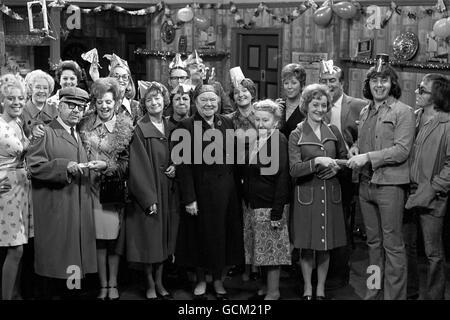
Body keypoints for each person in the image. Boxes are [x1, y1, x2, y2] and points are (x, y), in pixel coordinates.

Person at [347, 54, 415, 300]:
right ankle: (373, 290)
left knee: (393, 246)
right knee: (373, 245)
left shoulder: (403, 112)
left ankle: (393, 296)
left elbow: (402, 150)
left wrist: (367, 157)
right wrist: (356, 147)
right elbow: (368, 139)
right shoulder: (365, 111)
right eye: (375, 80)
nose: (379, 85)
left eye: (384, 80)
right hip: (366, 185)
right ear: (369, 83)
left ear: (392, 83)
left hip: (390, 186)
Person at [26, 87, 97, 298]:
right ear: (60, 106)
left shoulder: (78, 134)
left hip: (77, 208)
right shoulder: (45, 132)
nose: (76, 111)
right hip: (55, 209)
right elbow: (34, 166)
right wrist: (64, 166)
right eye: (71, 106)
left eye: (81, 107)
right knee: (56, 265)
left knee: (73, 265)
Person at [174, 84, 244, 300]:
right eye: (204, 100)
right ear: (195, 103)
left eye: (213, 100)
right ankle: (201, 280)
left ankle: (218, 280)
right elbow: (183, 167)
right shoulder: (185, 126)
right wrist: (189, 198)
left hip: (227, 192)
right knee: (201, 238)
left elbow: (235, 158)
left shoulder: (227, 122)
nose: (209, 104)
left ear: (219, 102)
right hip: (200, 192)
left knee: (223, 238)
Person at [289, 84, 348, 300]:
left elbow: (345, 159)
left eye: (324, 105)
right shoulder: (297, 133)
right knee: (307, 246)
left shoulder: (333, 131)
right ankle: (307, 287)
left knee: (325, 245)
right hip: (306, 194)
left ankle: (320, 288)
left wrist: (336, 166)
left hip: (330, 194)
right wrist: (316, 161)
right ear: (306, 105)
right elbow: (294, 170)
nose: (320, 109)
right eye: (316, 104)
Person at [78, 77, 134, 300]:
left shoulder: (125, 126)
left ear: (116, 102)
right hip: (86, 188)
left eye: (108, 101)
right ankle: (102, 285)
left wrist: (107, 166)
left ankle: (113, 283)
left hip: (111, 190)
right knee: (98, 240)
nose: (104, 105)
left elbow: (127, 163)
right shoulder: (84, 123)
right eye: (100, 101)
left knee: (112, 240)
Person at [125, 81, 178, 300]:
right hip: (151, 193)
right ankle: (149, 283)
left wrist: (177, 166)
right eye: (149, 99)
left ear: (164, 101)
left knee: (165, 239)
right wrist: (148, 198)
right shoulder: (139, 129)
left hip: (169, 192)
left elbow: (181, 155)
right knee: (150, 241)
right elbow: (137, 166)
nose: (154, 102)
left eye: (158, 98)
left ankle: (160, 281)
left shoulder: (172, 127)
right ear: (144, 104)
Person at [403, 74, 450, 300]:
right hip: (406, 191)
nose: (416, 93)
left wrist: (434, 187)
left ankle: (435, 297)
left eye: (422, 90)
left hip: (433, 195)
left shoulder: (448, 123)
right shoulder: (413, 117)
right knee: (406, 247)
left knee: (433, 253)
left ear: (437, 96)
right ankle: (411, 292)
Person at [243, 99, 291, 300]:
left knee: (272, 252)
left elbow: (282, 178)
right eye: (258, 119)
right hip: (255, 204)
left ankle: (274, 291)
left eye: (266, 120)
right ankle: (265, 286)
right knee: (260, 249)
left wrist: (277, 211)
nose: (261, 123)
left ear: (275, 122)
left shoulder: (278, 140)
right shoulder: (255, 139)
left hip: (271, 204)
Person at [0, 77, 33, 300]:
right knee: (15, 248)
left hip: (22, 188)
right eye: (11, 98)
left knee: (20, 246)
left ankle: (16, 293)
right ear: (2, 100)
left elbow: (25, 150)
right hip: (6, 189)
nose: (17, 102)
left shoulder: (18, 123)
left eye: (21, 98)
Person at [225, 71, 259, 280]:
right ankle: (240, 261)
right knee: (237, 219)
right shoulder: (229, 120)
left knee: (255, 218)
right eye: (237, 92)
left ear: (252, 94)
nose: (241, 95)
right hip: (235, 173)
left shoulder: (261, 115)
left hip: (258, 173)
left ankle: (256, 264)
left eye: (245, 91)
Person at [103, 54, 142, 124]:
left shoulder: (136, 106)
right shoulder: (103, 102)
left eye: (124, 77)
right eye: (116, 76)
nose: (120, 80)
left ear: (129, 82)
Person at [22, 70, 58, 139]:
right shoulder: (21, 111)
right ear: (30, 89)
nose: (41, 91)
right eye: (38, 87)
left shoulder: (55, 110)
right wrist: (30, 133)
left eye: (45, 88)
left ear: (49, 90)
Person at [279, 63, 307, 138]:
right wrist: (273, 113)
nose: (289, 87)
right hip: (277, 149)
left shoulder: (307, 107)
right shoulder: (279, 105)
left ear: (302, 85)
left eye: (294, 83)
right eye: (286, 83)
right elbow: (270, 136)